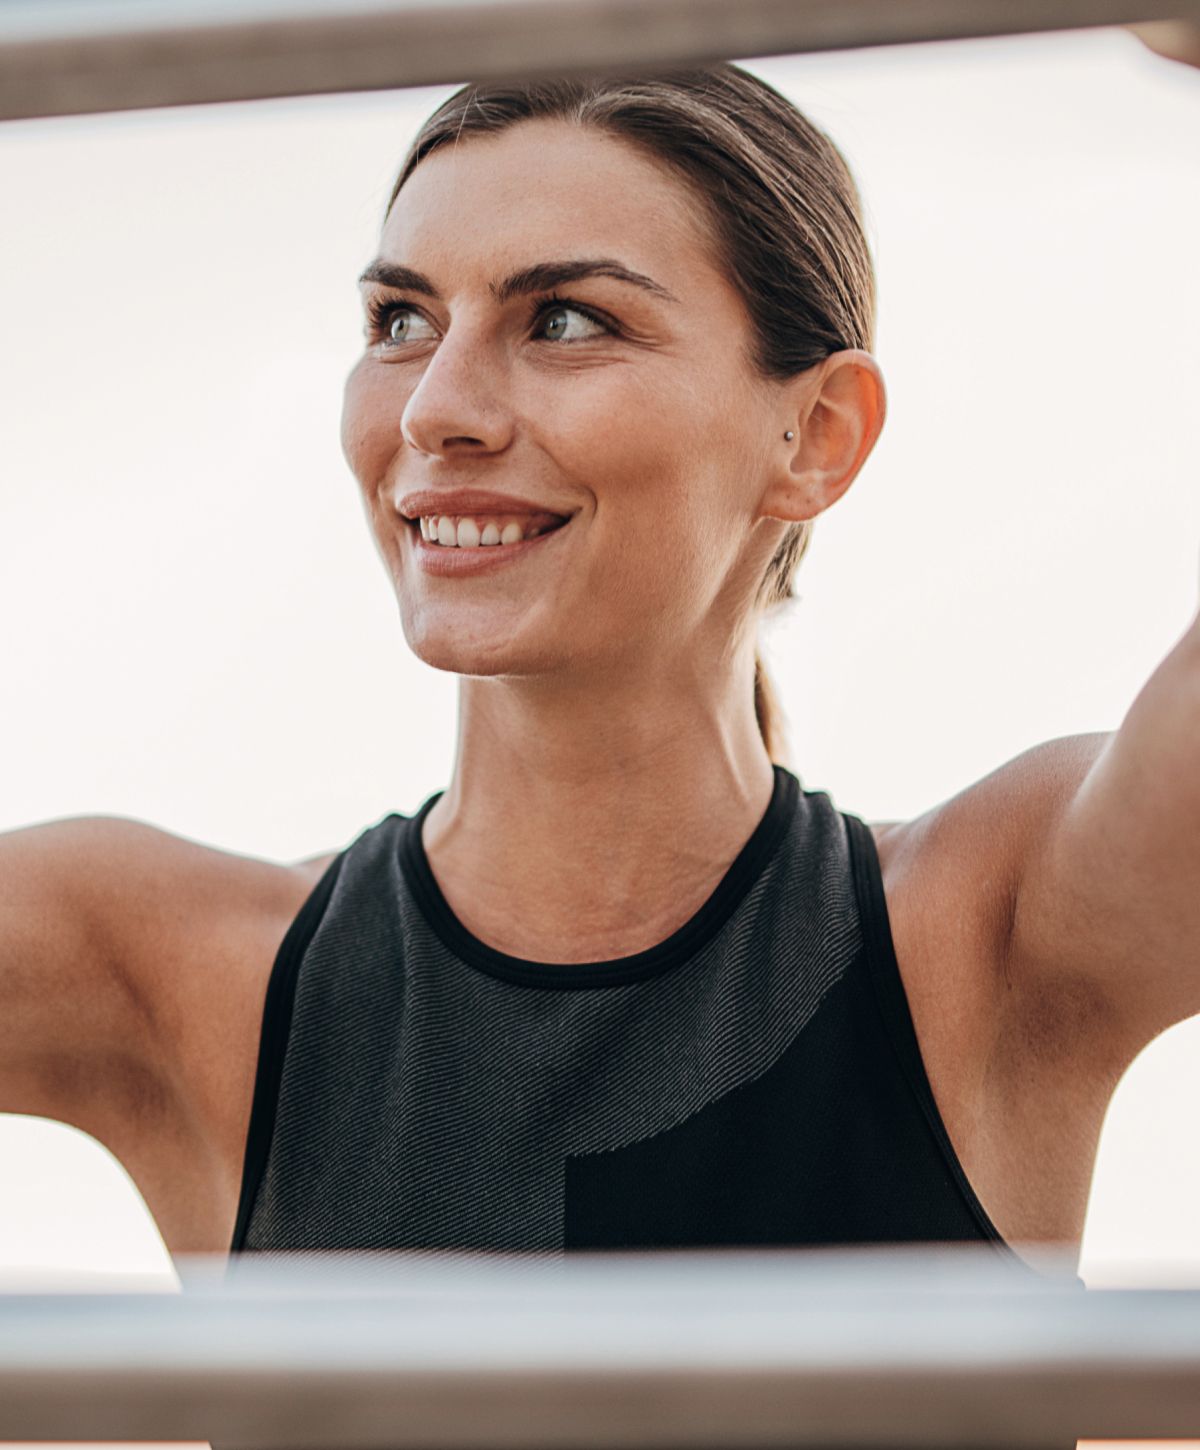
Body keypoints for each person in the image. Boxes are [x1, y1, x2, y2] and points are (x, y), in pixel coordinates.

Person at [0, 59, 1196, 1267]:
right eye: (400, 321)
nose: (435, 410)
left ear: (816, 435)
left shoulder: (993, 927)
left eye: (565, 319)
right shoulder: (186, 971)